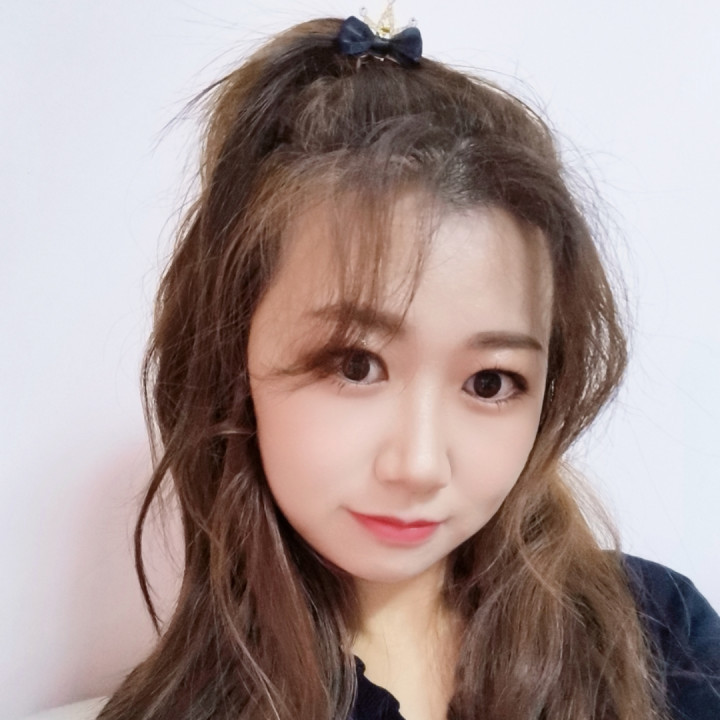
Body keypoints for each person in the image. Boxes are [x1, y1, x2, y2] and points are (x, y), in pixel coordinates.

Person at [96, 12, 720, 720]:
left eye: (490, 382)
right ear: (232, 358)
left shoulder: (659, 639)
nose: (420, 466)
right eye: (354, 365)